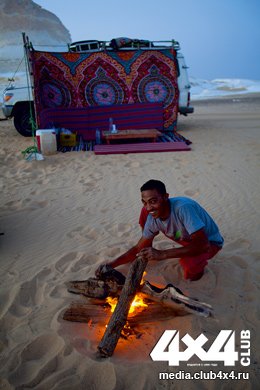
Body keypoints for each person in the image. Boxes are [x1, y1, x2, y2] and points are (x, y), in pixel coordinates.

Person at [96, 179, 224, 281]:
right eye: (144, 202)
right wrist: (111, 264)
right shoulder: (152, 216)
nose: (148, 207)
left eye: (153, 201)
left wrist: (162, 254)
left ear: (165, 197)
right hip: (183, 236)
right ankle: (150, 246)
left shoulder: (183, 208)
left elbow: (203, 245)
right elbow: (138, 248)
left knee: (190, 268)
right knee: (145, 215)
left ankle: (200, 267)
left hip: (208, 242)